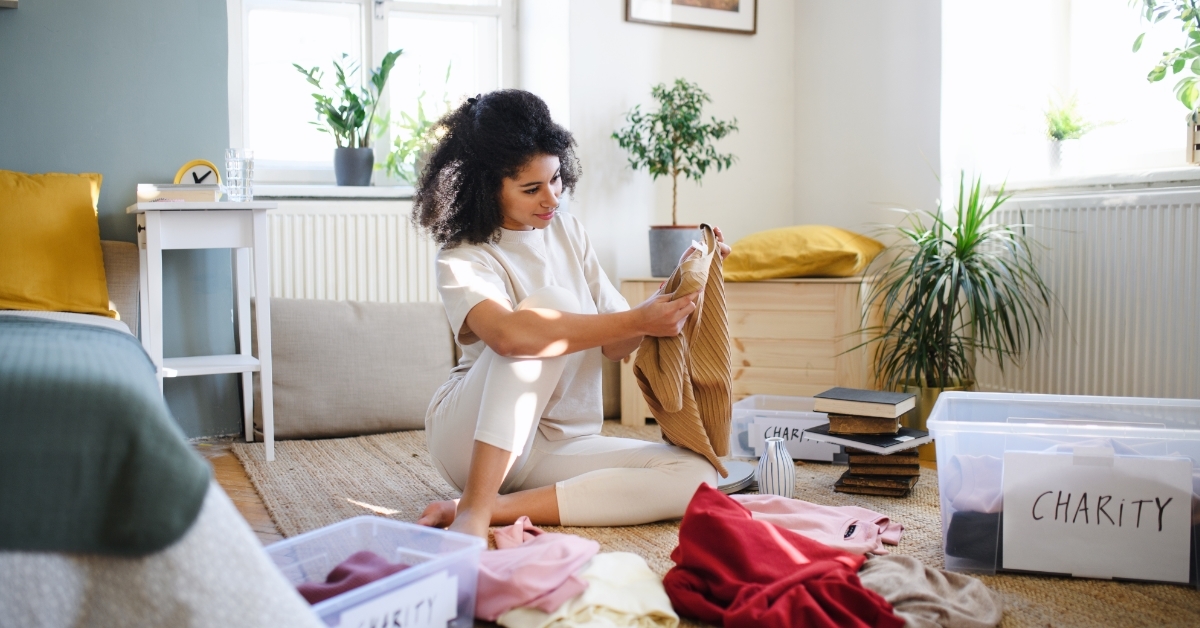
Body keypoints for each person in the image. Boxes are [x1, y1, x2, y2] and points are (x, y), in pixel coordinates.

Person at [411, 89, 731, 539]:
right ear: (486, 187)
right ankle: (475, 508)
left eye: (556, 179)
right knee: (550, 309)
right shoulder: (463, 256)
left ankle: (494, 508)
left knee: (698, 476)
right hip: (470, 440)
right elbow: (509, 337)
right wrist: (637, 320)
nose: (552, 198)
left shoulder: (569, 232)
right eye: (531, 188)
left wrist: (678, 289)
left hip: (561, 443)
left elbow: (618, 342)